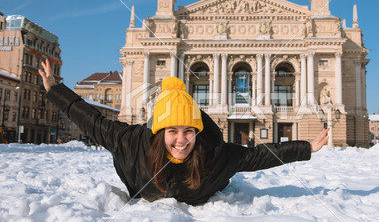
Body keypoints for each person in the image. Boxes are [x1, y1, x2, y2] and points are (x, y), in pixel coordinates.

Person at [39, 59, 328, 205]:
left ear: (197, 131)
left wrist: (306, 148)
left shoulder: (215, 156)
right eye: (172, 131)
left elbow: (258, 156)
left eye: (189, 131)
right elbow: (91, 120)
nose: (181, 140)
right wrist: (55, 91)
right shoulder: (132, 144)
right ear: (159, 130)